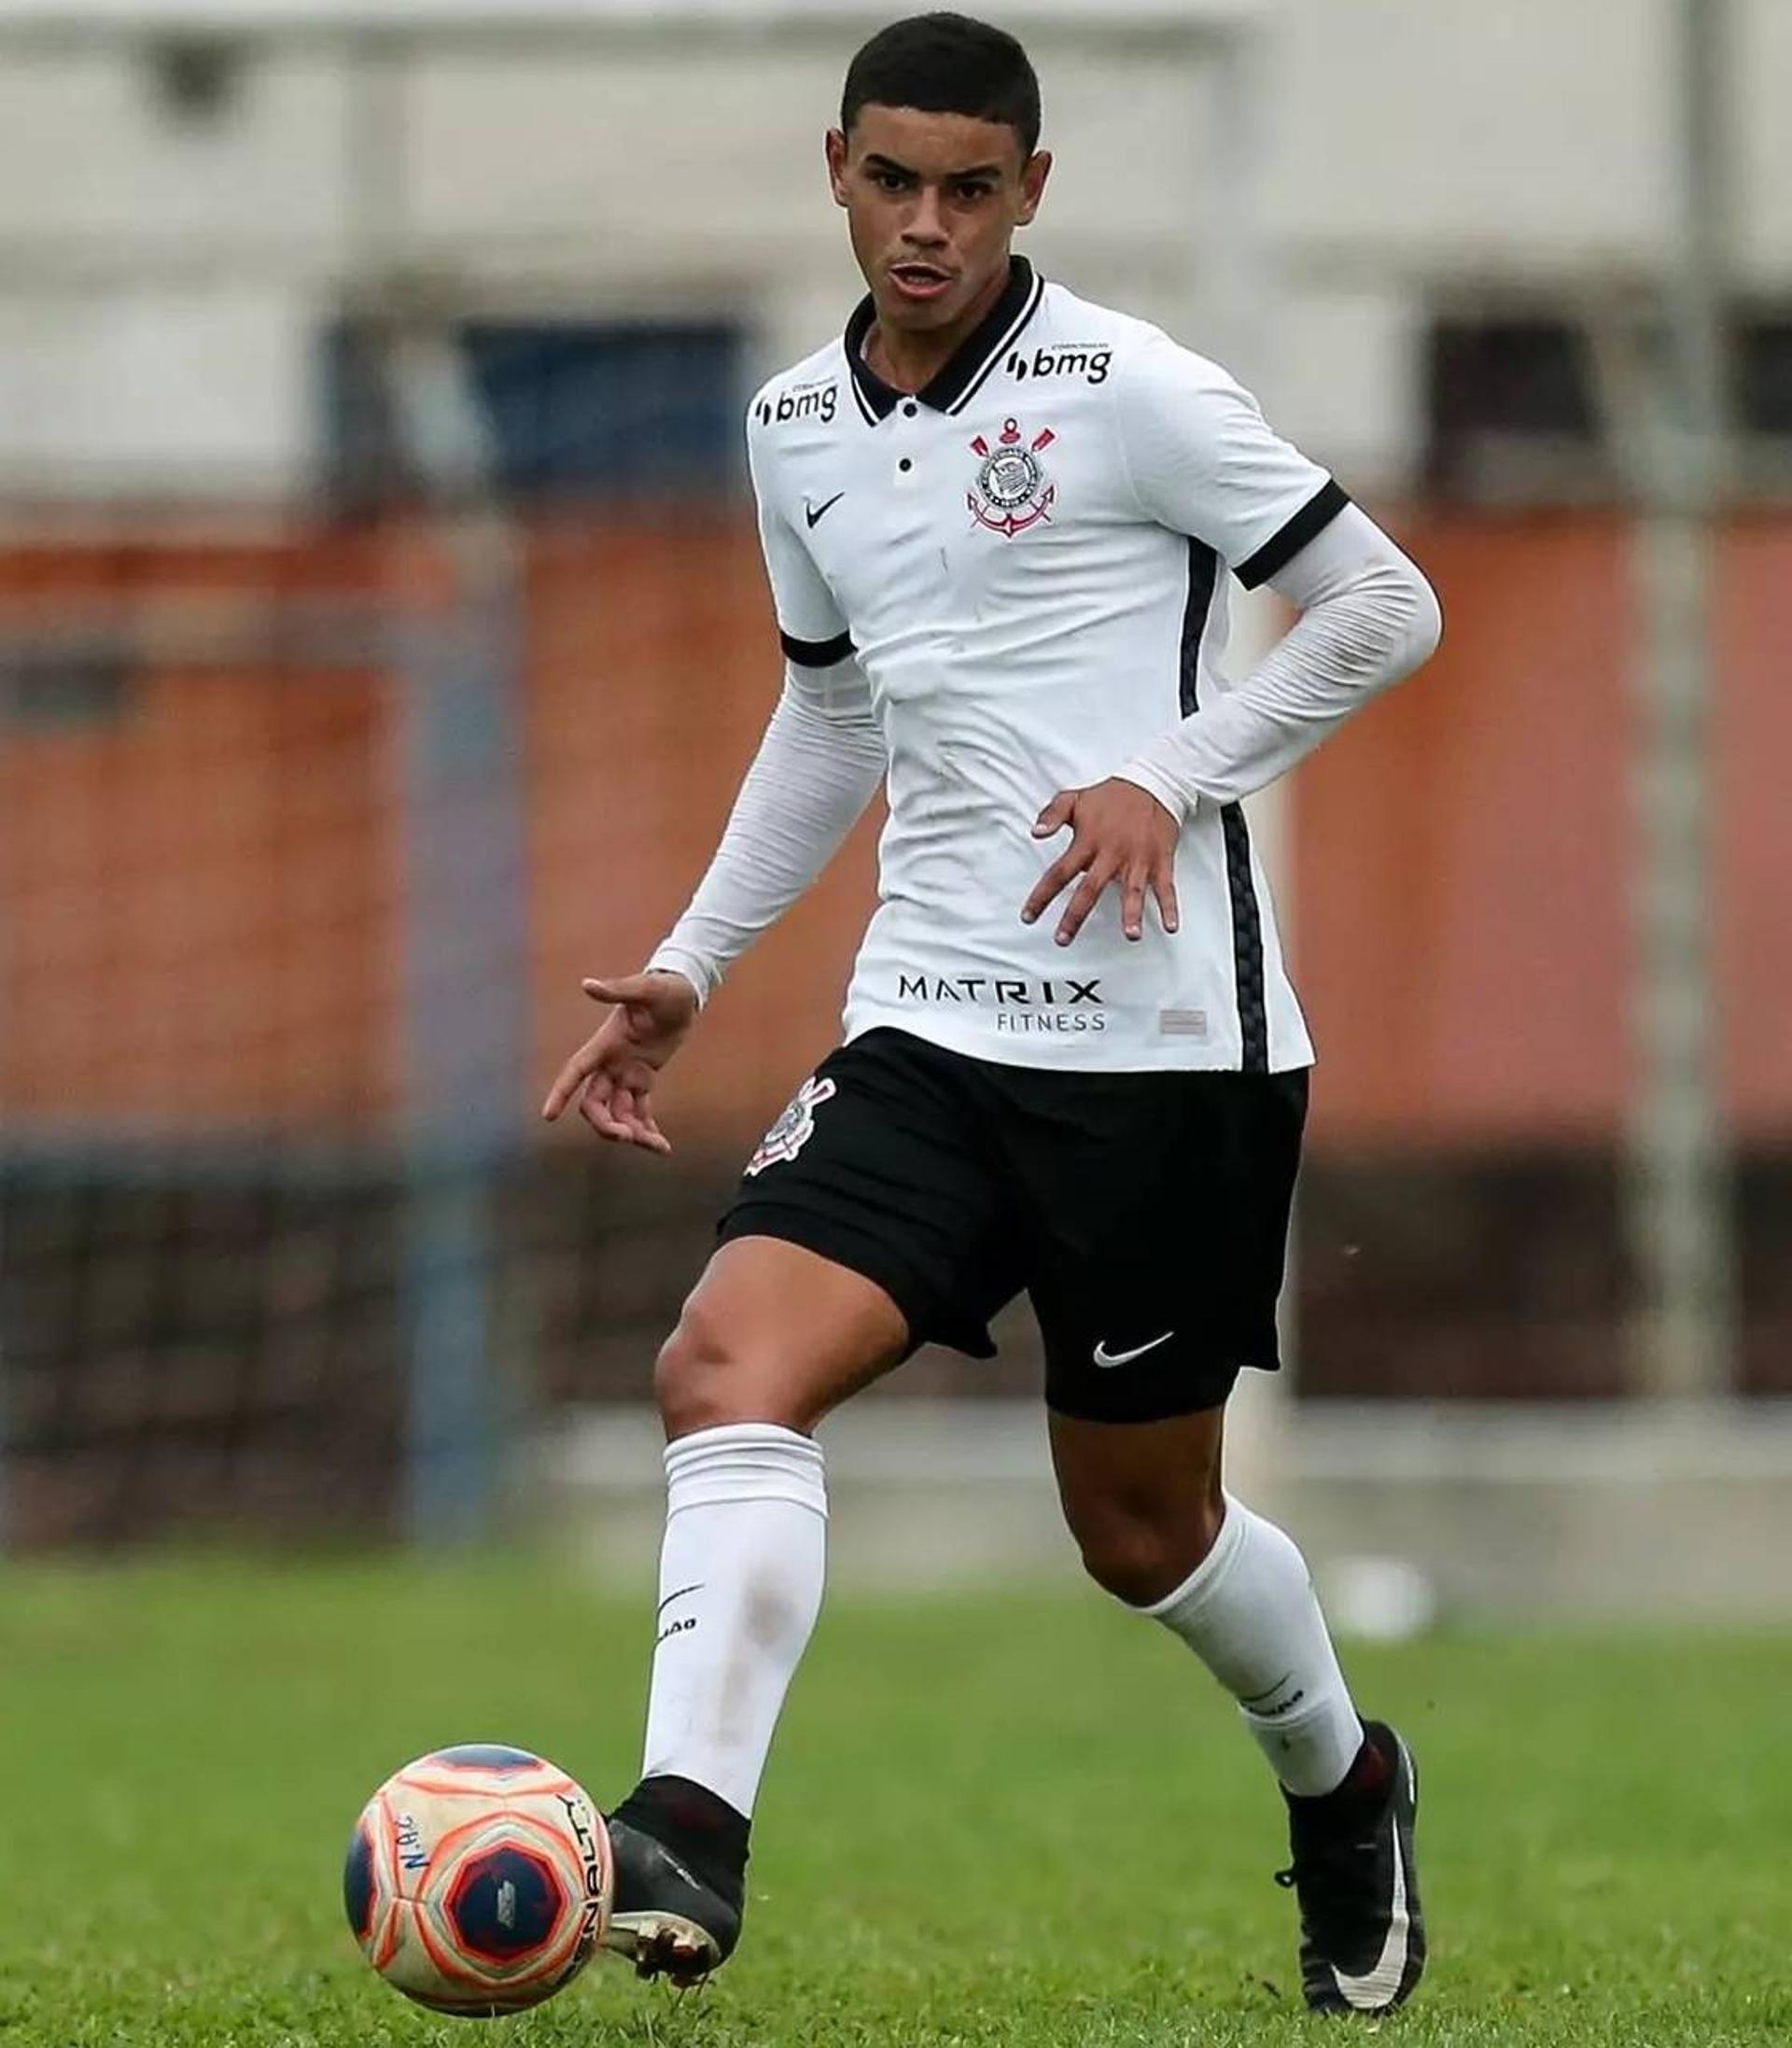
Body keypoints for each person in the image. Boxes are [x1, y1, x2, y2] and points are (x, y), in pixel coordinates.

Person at [543, 10, 1441, 2017]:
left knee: (1144, 1534)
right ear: (836, 172)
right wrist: (690, 962)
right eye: (892, 181)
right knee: (721, 1361)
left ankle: (1343, 1772)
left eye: (969, 187)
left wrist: (1174, 774)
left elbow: (1386, 604)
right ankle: (690, 1812)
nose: (926, 223)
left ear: (1032, 189)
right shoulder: (790, 426)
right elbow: (832, 708)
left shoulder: (1135, 390)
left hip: (1165, 1058)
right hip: (929, 1024)